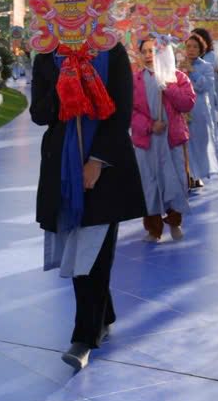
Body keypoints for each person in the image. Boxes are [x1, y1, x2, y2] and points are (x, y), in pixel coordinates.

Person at [30, 42, 147, 370]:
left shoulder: (111, 52)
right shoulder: (47, 55)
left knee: (92, 253)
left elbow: (121, 112)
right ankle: (103, 315)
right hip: (62, 168)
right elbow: (39, 114)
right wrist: (66, 85)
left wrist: (97, 161)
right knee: (77, 248)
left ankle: (84, 336)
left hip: (104, 169)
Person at [131, 37, 196, 242]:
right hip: (147, 141)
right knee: (149, 183)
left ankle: (175, 222)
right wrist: (150, 126)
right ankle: (153, 228)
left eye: (152, 51)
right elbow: (129, 111)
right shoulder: (135, 80)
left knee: (175, 180)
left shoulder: (178, 77)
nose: (148, 55)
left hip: (172, 139)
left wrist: (169, 86)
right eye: (144, 51)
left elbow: (187, 103)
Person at [181, 32, 218, 188]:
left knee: (199, 143)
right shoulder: (179, 66)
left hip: (199, 110)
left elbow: (205, 86)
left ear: (201, 49)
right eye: (188, 46)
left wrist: (193, 71)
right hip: (182, 110)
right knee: (185, 144)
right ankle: (188, 175)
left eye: (195, 47)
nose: (191, 50)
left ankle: (198, 175)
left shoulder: (206, 67)